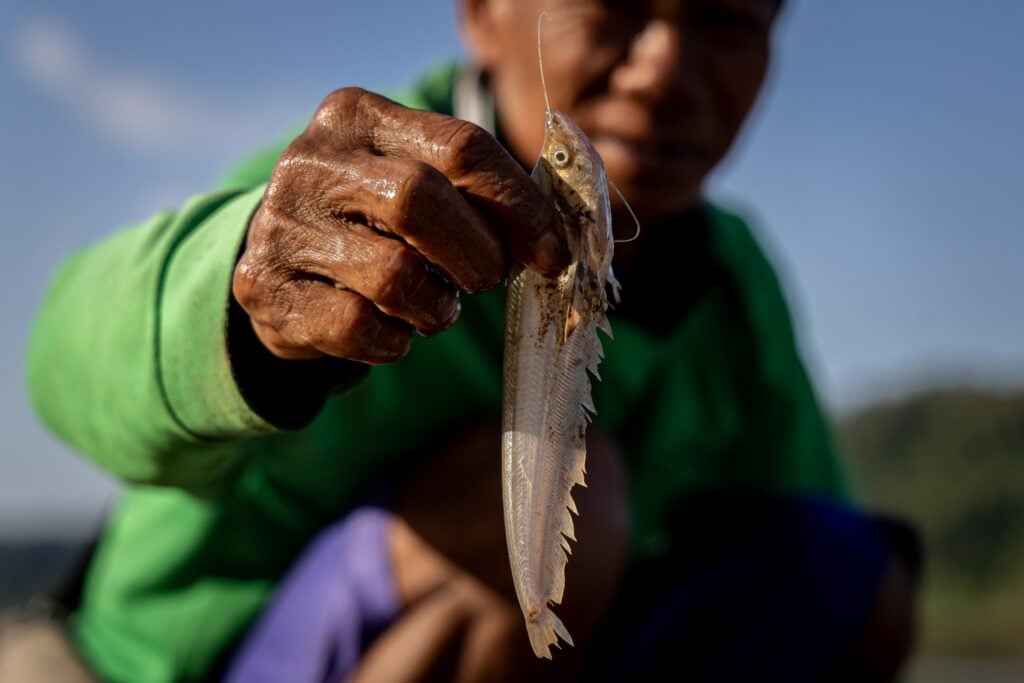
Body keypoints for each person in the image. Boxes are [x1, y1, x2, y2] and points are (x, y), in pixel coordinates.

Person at [20, 0, 919, 681]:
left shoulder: (729, 282)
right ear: (483, 16)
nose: (666, 70)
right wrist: (246, 292)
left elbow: (794, 540)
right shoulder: (353, 178)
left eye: (727, 21)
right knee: (575, 501)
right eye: (617, 7)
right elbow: (63, 354)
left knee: (857, 580)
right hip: (186, 660)